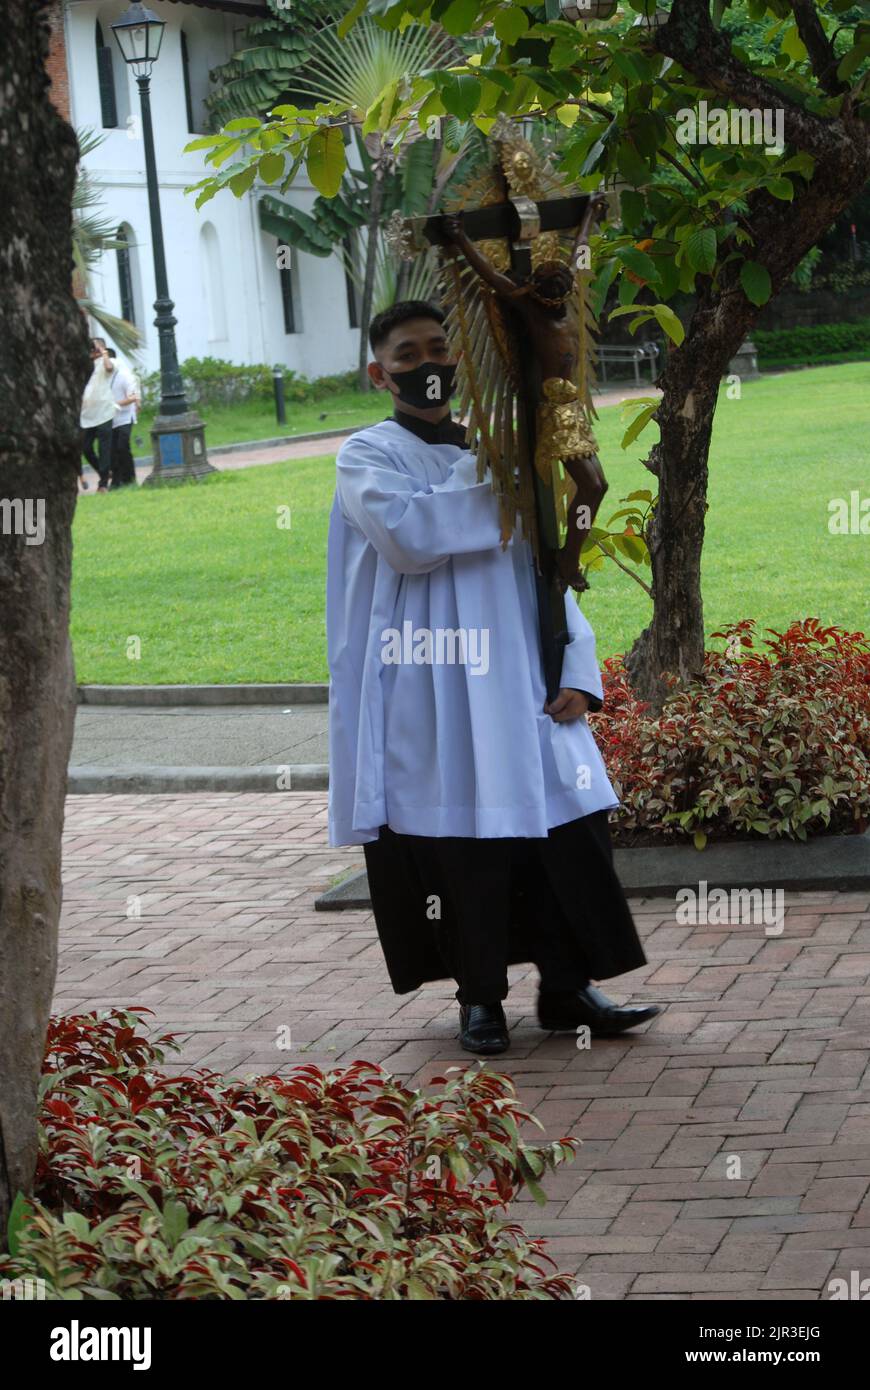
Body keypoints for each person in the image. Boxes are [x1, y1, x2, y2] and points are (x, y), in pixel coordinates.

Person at [326, 299, 662, 1055]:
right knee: (462, 847)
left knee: (568, 832)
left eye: (440, 348)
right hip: (435, 686)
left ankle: (570, 991)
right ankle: (480, 999)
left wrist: (580, 667)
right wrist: (505, 467)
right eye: (407, 355)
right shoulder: (367, 457)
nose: (428, 365)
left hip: (524, 674)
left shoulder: (506, 451)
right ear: (379, 374)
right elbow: (411, 538)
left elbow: (552, 567)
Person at [80, 337, 116, 492]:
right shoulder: (85, 366)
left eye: (95, 348)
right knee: (86, 447)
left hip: (104, 411)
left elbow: (109, 368)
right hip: (87, 414)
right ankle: (104, 472)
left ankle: (102, 484)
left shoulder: (105, 362)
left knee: (103, 448)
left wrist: (104, 353)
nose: (93, 351)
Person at [107, 350, 140, 488]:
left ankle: (130, 479)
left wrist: (116, 404)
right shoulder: (104, 378)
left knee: (122, 447)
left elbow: (132, 397)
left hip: (126, 416)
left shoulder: (125, 376)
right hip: (112, 418)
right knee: (112, 450)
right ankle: (116, 480)